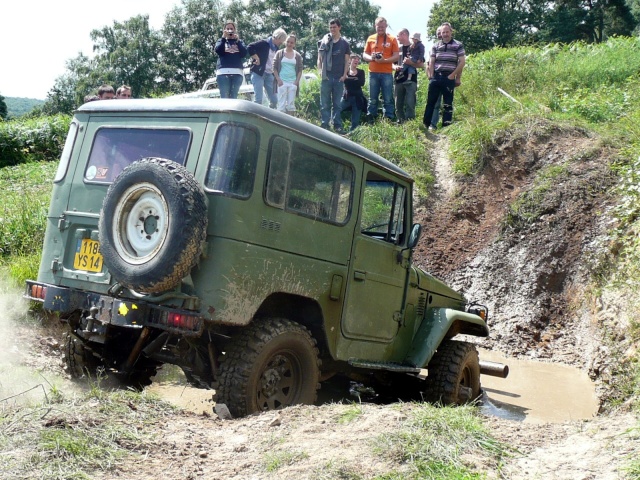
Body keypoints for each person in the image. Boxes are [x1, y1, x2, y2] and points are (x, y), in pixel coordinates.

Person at [423, 23, 466, 131]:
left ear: (451, 32)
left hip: (449, 77)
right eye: (443, 32)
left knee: (448, 103)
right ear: (440, 34)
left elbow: (461, 62)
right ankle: (426, 125)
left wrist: (454, 76)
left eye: (447, 32)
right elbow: (432, 62)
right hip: (437, 76)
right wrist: (431, 76)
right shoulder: (436, 46)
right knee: (431, 102)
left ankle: (446, 127)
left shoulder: (458, 45)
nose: (445, 34)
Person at [362, 17, 399, 122]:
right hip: (373, 72)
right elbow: (365, 54)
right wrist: (372, 58)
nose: (380, 29)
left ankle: (389, 119)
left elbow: (396, 56)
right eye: (379, 27)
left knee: (388, 98)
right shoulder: (370, 38)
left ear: (386, 27)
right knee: (372, 98)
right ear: (375, 26)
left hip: (386, 72)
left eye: (382, 27)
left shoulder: (392, 39)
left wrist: (384, 60)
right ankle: (371, 118)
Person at [317, 19, 351, 133]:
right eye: (330, 27)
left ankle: (337, 125)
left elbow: (347, 61)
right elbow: (320, 58)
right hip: (326, 76)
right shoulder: (324, 41)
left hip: (338, 77)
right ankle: (325, 124)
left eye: (334, 27)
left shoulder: (344, 43)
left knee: (337, 104)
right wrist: (320, 71)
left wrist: (344, 75)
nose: (332, 29)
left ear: (339, 27)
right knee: (325, 103)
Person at [248, 28, 287, 108]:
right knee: (258, 99)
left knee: (274, 100)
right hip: (258, 73)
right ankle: (255, 118)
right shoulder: (264, 43)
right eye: (281, 40)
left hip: (269, 75)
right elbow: (249, 47)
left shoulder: (277, 49)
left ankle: (270, 117)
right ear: (277, 37)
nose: (281, 43)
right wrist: (256, 58)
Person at [393, 28, 424, 122]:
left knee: (410, 103)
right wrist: (394, 67)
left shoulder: (416, 46)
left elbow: (422, 64)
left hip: (411, 80)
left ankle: (410, 124)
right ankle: (401, 122)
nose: (397, 38)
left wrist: (410, 63)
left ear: (404, 34)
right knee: (398, 104)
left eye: (398, 36)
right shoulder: (397, 49)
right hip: (398, 79)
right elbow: (391, 63)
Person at [214, 21, 248, 99]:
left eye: (231, 29)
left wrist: (238, 41)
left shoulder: (239, 41)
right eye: (228, 29)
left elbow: (244, 53)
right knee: (224, 97)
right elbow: (218, 51)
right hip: (223, 73)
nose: (230, 31)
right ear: (224, 30)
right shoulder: (221, 41)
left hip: (237, 73)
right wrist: (223, 38)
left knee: (234, 97)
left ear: (235, 30)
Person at [273, 34, 303, 114]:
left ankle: (290, 124)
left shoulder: (297, 55)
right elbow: (274, 67)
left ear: (294, 44)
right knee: (281, 105)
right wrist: (278, 80)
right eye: (288, 42)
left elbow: (300, 69)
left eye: (292, 42)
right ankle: (280, 123)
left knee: (291, 105)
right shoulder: (279, 53)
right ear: (285, 42)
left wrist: (296, 82)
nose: (289, 44)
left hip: (292, 82)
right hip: (282, 82)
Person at [339, 53, 367, 132]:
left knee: (355, 119)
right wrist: (354, 79)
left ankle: (352, 133)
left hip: (358, 97)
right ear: (350, 60)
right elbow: (344, 81)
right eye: (355, 59)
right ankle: (338, 127)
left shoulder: (361, 72)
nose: (357, 60)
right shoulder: (345, 71)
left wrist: (350, 79)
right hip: (346, 97)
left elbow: (361, 83)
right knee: (337, 110)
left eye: (358, 59)